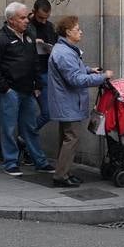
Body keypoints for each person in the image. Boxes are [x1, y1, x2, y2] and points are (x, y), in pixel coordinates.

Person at [0, 2, 53, 177]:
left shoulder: (30, 35)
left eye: (26, 17)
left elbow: (35, 62)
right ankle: (10, 162)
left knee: (30, 127)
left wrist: (38, 85)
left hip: (28, 90)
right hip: (10, 91)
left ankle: (40, 161)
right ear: (11, 20)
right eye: (22, 18)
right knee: (8, 128)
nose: (26, 21)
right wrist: (5, 88)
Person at [48, 15, 113, 187]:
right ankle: (61, 176)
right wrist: (102, 77)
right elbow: (75, 79)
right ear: (68, 32)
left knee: (66, 138)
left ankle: (65, 172)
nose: (81, 31)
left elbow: (75, 70)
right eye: (77, 29)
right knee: (72, 138)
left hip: (67, 102)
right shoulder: (64, 53)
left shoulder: (65, 49)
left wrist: (89, 70)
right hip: (68, 102)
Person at [27, 0, 59, 159]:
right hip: (30, 74)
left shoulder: (49, 26)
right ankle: (29, 148)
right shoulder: (27, 25)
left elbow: (54, 44)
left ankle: (24, 139)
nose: (43, 21)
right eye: (40, 18)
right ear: (34, 12)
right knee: (29, 114)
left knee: (47, 113)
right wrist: (34, 43)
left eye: (46, 18)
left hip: (45, 72)